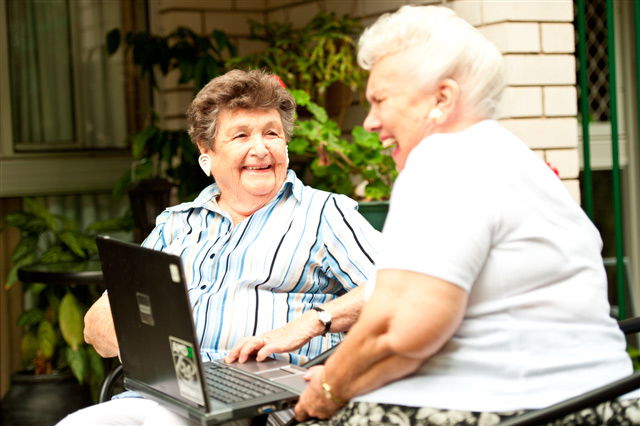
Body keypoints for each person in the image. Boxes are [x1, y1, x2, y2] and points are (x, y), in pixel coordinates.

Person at [292, 5, 640, 425]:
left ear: (442, 98)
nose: (369, 122)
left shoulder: (446, 159)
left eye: (380, 101)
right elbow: (404, 300)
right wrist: (329, 349)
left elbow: (398, 331)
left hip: (522, 409)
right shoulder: (499, 154)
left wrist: (330, 388)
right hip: (587, 401)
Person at [58, 69, 380, 425]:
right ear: (206, 150)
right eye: (241, 135)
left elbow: (396, 287)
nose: (260, 149)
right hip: (168, 395)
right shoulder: (177, 223)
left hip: (269, 407)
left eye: (271, 133)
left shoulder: (323, 213)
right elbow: (98, 326)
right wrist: (142, 343)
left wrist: (313, 321)